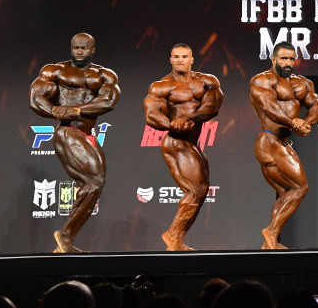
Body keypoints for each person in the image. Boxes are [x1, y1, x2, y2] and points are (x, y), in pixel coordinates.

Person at [29, 33, 121, 253]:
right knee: (94, 182)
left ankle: (66, 240)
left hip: (87, 133)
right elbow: (35, 97)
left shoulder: (104, 74)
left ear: (93, 50)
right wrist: (54, 110)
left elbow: (108, 101)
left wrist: (78, 110)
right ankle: (65, 236)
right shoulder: (55, 71)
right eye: (76, 47)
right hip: (68, 131)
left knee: (94, 186)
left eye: (84, 48)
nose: (79, 51)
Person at [143, 43, 223, 251]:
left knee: (200, 191)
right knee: (196, 190)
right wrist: (171, 124)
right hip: (175, 142)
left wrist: (189, 118)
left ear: (192, 59)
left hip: (192, 143)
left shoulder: (207, 81)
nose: (180, 60)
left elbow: (212, 107)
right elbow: (151, 114)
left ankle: (176, 239)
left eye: (184, 56)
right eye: (176, 57)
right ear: (171, 59)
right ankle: (172, 235)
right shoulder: (161, 86)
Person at [249, 41, 318, 249]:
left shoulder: (303, 83)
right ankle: (271, 231)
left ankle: (269, 243)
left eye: (291, 59)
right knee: (300, 187)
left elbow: (315, 107)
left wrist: (306, 123)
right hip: (269, 140)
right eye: (283, 58)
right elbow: (269, 108)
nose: (288, 62)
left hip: (283, 142)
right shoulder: (262, 80)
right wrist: (293, 123)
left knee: (286, 192)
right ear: (273, 59)